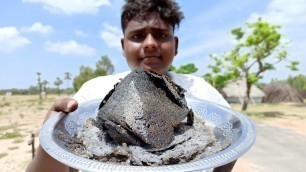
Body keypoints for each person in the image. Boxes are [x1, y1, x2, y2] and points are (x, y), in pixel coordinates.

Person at [26, 0, 236, 171]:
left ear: (176, 45)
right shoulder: (94, 93)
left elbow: (232, 139)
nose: (150, 43)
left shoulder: (200, 91)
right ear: (123, 46)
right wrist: (50, 140)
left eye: (161, 35)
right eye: (137, 36)